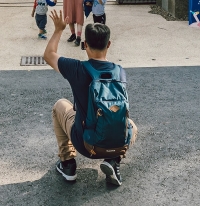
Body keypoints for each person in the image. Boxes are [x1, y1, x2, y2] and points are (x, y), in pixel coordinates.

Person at [43, 11, 137, 186]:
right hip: (117, 144)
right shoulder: (120, 71)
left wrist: (58, 30)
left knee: (60, 105)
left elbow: (49, 55)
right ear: (109, 44)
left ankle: (68, 164)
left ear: (85, 44)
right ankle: (113, 161)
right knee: (131, 125)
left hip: (86, 145)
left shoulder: (77, 68)